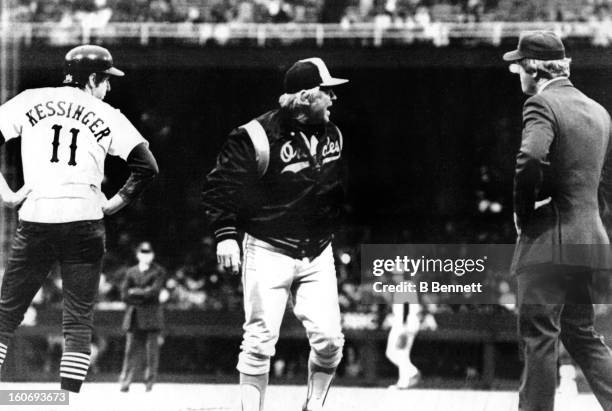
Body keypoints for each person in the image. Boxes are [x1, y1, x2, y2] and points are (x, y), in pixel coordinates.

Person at [0, 44, 159, 393]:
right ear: (91, 79)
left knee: (6, 313)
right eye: (106, 80)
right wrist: (114, 203)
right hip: (84, 218)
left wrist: (7, 194)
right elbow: (147, 166)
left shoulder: (29, 99)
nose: (109, 87)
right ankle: (66, 401)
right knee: (77, 319)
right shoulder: (107, 112)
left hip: (37, 214)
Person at [202, 57, 348, 411]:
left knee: (330, 341)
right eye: (326, 92)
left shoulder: (334, 133)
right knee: (258, 342)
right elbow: (220, 186)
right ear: (305, 97)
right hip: (268, 249)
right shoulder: (254, 135)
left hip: (317, 252)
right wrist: (225, 234)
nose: (333, 98)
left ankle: (313, 406)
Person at [504, 31, 612, 411]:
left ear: (534, 68)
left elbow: (530, 157)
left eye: (519, 65)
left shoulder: (541, 104)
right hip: (591, 242)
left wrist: (523, 214)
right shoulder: (599, 112)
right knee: (582, 335)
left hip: (551, 240)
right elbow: (604, 184)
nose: (516, 72)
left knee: (539, 338)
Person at [119, 241, 166, 392]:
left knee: (151, 351)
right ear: (138, 254)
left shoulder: (158, 271)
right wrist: (141, 292)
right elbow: (124, 294)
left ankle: (149, 382)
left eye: (149, 253)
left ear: (152, 255)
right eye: (143, 253)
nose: (146, 256)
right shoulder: (131, 272)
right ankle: (126, 380)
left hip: (152, 317)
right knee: (130, 350)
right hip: (134, 316)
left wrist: (135, 292)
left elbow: (154, 292)